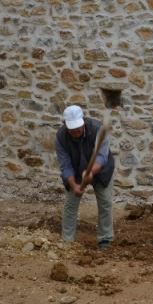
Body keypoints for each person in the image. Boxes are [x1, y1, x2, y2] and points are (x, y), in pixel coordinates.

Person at [55, 105, 114, 250]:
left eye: (78, 128)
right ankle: (67, 241)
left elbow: (101, 157)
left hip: (101, 170)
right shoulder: (61, 137)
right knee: (70, 204)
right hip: (75, 170)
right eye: (72, 129)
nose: (76, 131)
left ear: (83, 121)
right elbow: (65, 165)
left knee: (105, 202)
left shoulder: (98, 130)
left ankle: (105, 239)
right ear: (66, 125)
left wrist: (90, 173)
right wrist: (74, 185)